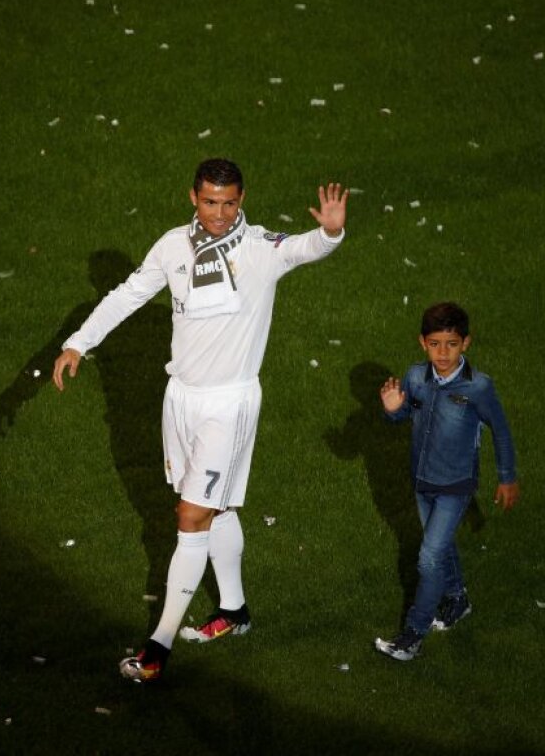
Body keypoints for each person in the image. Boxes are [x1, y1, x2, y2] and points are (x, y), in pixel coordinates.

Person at [52, 158, 348, 683]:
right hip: (181, 401)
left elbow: (303, 248)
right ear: (193, 197)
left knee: (191, 516)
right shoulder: (173, 246)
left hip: (228, 406)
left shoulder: (259, 248)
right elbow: (130, 293)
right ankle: (234, 611)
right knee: (219, 507)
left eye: (229, 203)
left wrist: (329, 233)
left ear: (242, 200)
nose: (219, 212)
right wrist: (79, 341)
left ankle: (158, 648)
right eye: (210, 201)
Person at [373, 301, 519, 661]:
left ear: (465, 343)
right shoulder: (415, 377)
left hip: (456, 486)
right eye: (435, 344)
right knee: (440, 547)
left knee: (429, 558)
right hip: (422, 481)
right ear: (423, 342)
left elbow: (501, 431)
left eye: (451, 344)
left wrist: (507, 478)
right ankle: (457, 599)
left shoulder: (478, 387)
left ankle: (413, 635)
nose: (443, 353)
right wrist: (393, 409)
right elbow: (405, 414)